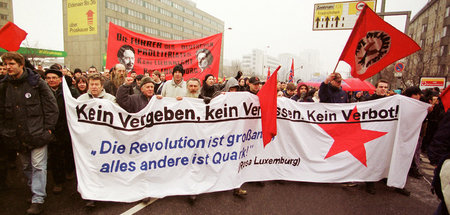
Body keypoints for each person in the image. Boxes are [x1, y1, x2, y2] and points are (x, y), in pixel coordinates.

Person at [0, 52, 59, 214]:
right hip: (18, 136)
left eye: (11, 64)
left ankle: (38, 199)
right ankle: (35, 189)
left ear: (21, 65)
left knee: (39, 166)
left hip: (38, 134)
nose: (7, 67)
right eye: (6, 64)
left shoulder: (37, 83)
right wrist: (5, 131)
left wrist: (48, 128)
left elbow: (51, 107)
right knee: (26, 166)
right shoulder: (4, 86)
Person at [44, 69, 80, 195]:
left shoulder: (70, 91)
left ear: (60, 79)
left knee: (69, 152)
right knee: (55, 156)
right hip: (51, 128)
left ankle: (70, 170)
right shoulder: (42, 91)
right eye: (48, 78)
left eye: (54, 78)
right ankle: (58, 182)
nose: (51, 80)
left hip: (67, 127)